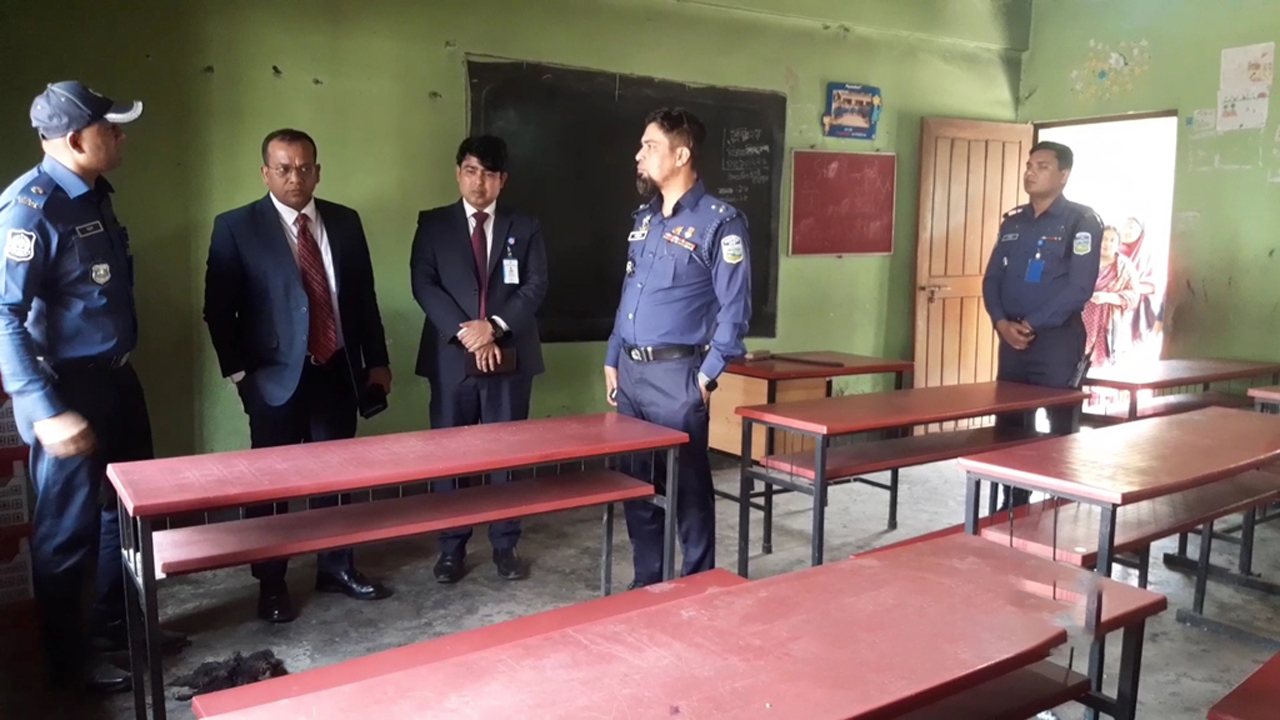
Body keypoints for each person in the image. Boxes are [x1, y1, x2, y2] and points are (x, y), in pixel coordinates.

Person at [0, 81, 186, 694]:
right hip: (66, 391)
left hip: (115, 379)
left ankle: (116, 627)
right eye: (112, 127)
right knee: (66, 533)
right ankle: (69, 667)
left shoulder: (94, 195)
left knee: (126, 514)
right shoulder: (31, 209)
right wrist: (43, 409)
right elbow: (3, 315)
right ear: (77, 139)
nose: (121, 135)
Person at [203, 128, 393, 623]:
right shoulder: (237, 226)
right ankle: (271, 583)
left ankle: (337, 567)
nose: (295, 178)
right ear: (265, 173)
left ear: (318, 172)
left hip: (336, 370)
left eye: (305, 168)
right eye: (284, 168)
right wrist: (241, 377)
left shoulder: (345, 222)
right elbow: (219, 310)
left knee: (337, 477)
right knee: (271, 487)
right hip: (273, 380)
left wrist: (377, 360)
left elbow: (364, 299)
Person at [603, 108, 751, 588]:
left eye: (650, 146)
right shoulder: (644, 219)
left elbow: (735, 311)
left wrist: (706, 378)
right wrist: (613, 356)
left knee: (688, 489)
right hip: (631, 375)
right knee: (637, 484)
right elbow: (629, 294)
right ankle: (648, 580)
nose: (639, 155)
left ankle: (697, 585)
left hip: (677, 378)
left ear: (681, 155)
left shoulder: (719, 223)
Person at [410, 135, 548, 584]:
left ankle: (505, 545)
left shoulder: (525, 225)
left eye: (488, 174)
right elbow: (424, 283)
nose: (478, 182)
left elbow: (535, 285)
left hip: (509, 357)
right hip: (452, 359)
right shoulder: (433, 224)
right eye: (470, 171)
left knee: (507, 456)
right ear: (458, 173)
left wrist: (495, 327)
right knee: (451, 458)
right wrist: (470, 333)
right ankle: (451, 547)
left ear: (502, 180)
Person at [982, 140, 1102, 508]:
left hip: (1055, 341)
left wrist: (1032, 323)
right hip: (1011, 340)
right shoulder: (1014, 221)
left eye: (1042, 166)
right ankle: (1013, 500)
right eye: (1029, 165)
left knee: (1060, 425)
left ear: (1064, 175)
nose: (1030, 172)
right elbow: (992, 279)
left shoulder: (1081, 222)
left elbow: (1079, 288)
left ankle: (1060, 502)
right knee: (1010, 424)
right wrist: (1001, 323)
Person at [1082, 225, 1139, 369]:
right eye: (1104, 239)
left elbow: (1133, 296)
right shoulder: (1085, 262)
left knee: (1103, 368)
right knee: (1078, 363)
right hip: (1081, 322)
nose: (1107, 243)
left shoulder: (1125, 267)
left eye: (1112, 240)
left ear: (1118, 243)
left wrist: (1107, 297)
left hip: (1109, 324)